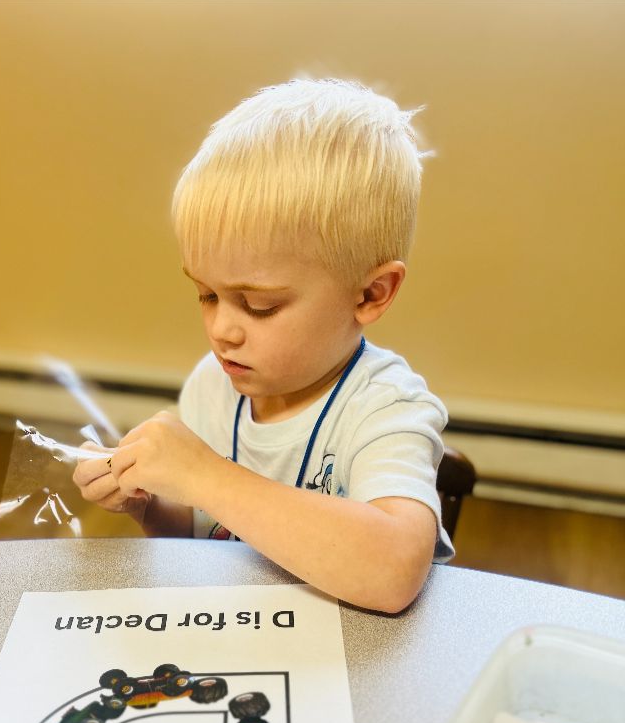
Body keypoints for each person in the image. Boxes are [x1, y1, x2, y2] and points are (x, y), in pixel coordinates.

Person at [73, 78, 453, 613]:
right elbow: (200, 541)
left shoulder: (385, 409)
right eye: (206, 294)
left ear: (370, 293)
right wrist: (149, 503)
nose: (222, 330)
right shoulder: (216, 381)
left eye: (259, 305)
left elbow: (393, 573)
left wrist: (206, 475)